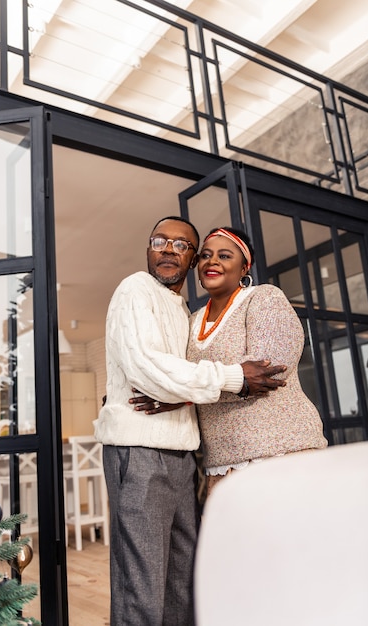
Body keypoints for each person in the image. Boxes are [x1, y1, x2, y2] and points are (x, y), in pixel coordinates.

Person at [94, 216, 287, 626]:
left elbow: (174, 380)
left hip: (185, 458)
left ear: (191, 259)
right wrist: (234, 377)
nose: (168, 249)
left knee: (182, 584)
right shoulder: (135, 289)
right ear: (148, 248)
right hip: (140, 450)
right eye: (160, 241)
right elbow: (148, 369)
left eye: (181, 245)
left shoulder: (184, 311)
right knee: (141, 587)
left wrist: (178, 394)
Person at [186, 226, 328, 496]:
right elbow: (180, 376)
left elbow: (266, 373)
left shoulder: (264, 298)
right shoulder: (192, 320)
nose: (212, 261)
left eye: (225, 255)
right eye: (205, 255)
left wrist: (187, 390)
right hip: (221, 464)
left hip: (281, 453)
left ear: (244, 269)